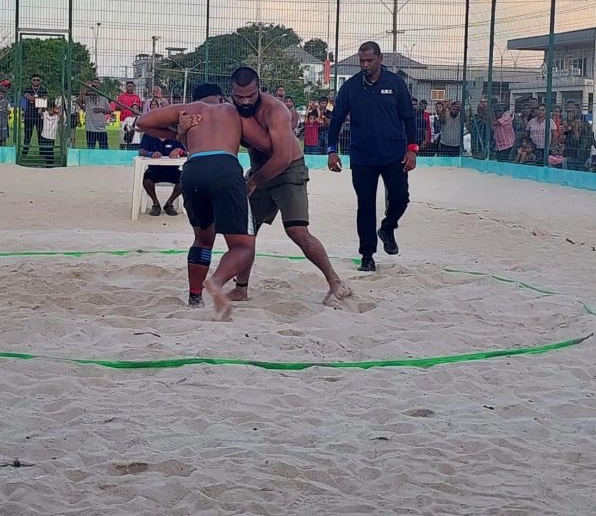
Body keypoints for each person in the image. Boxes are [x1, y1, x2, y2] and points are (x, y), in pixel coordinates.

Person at [192, 67, 352, 306]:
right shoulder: (230, 111)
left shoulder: (274, 109)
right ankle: (241, 288)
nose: (245, 101)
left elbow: (282, 157)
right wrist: (184, 127)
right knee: (245, 235)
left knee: (297, 231)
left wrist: (253, 181)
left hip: (288, 170)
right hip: (258, 172)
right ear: (231, 93)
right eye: (240, 97)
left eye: (250, 96)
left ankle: (335, 281)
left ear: (259, 89)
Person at [135, 83, 271, 319]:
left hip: (193, 170)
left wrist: (178, 133)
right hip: (225, 168)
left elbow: (143, 122)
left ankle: (195, 296)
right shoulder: (232, 111)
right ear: (219, 97)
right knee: (243, 246)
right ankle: (217, 281)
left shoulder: (187, 110)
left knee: (202, 239)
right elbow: (265, 144)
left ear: (194, 98)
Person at [326, 41, 417, 273]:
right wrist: (332, 150)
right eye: (362, 61)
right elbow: (336, 118)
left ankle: (387, 228)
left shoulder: (395, 84)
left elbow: (408, 117)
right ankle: (367, 255)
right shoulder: (351, 87)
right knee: (365, 206)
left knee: (400, 198)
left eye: (369, 60)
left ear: (380, 59)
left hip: (394, 155)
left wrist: (411, 149)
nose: (365, 65)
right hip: (362, 157)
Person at [138, 133, 186, 217]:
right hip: (154, 170)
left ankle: (169, 203)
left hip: (173, 170)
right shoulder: (148, 135)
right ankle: (155, 204)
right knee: (146, 180)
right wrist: (151, 154)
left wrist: (179, 151)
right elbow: (141, 151)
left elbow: (187, 153)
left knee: (185, 180)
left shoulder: (176, 136)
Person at [21, 75, 47, 155]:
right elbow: (29, 97)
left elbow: (45, 100)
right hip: (29, 115)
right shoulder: (27, 89)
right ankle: (25, 153)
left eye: (37, 80)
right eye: (34, 80)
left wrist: (34, 99)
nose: (36, 81)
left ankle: (42, 153)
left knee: (41, 135)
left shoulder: (43, 90)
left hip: (40, 116)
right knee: (27, 135)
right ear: (31, 81)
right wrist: (39, 99)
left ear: (40, 81)